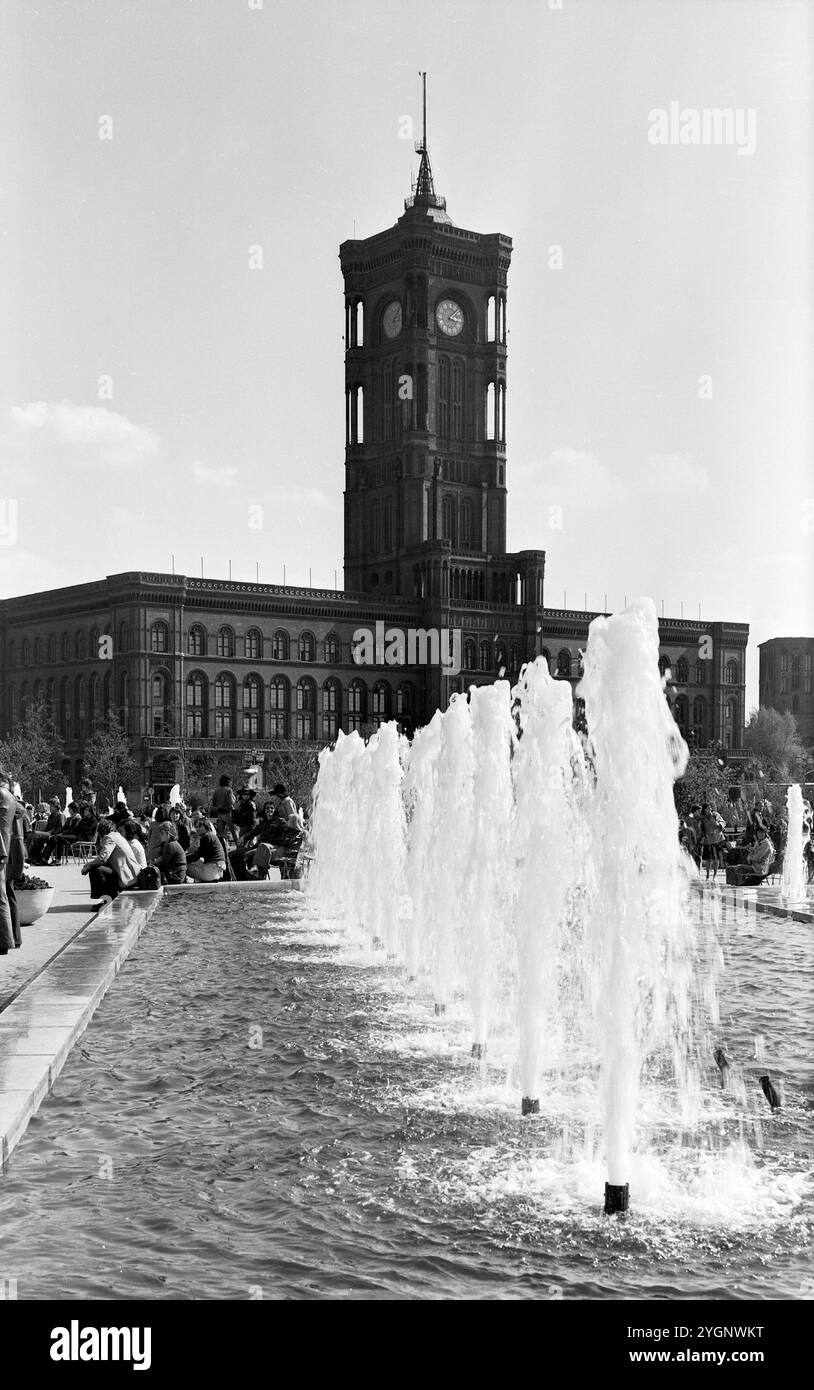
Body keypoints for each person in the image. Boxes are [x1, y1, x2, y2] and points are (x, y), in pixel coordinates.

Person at [79, 818, 141, 905]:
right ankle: (108, 898)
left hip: (127, 878)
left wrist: (88, 866)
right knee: (101, 868)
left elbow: (102, 858)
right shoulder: (117, 836)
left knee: (96, 869)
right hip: (133, 875)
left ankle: (107, 900)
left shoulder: (109, 837)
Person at [185, 817, 226, 882]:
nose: (197, 829)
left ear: (206, 826)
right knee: (198, 861)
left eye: (200, 826)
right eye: (196, 826)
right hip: (218, 870)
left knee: (182, 865)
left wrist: (183, 857)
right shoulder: (211, 835)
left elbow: (197, 856)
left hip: (211, 871)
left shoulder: (206, 837)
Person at [210, 775, 237, 845]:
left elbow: (213, 804)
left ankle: (223, 848)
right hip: (228, 813)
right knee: (234, 832)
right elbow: (231, 802)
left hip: (219, 814)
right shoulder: (229, 790)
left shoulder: (216, 791)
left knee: (221, 834)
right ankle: (239, 846)